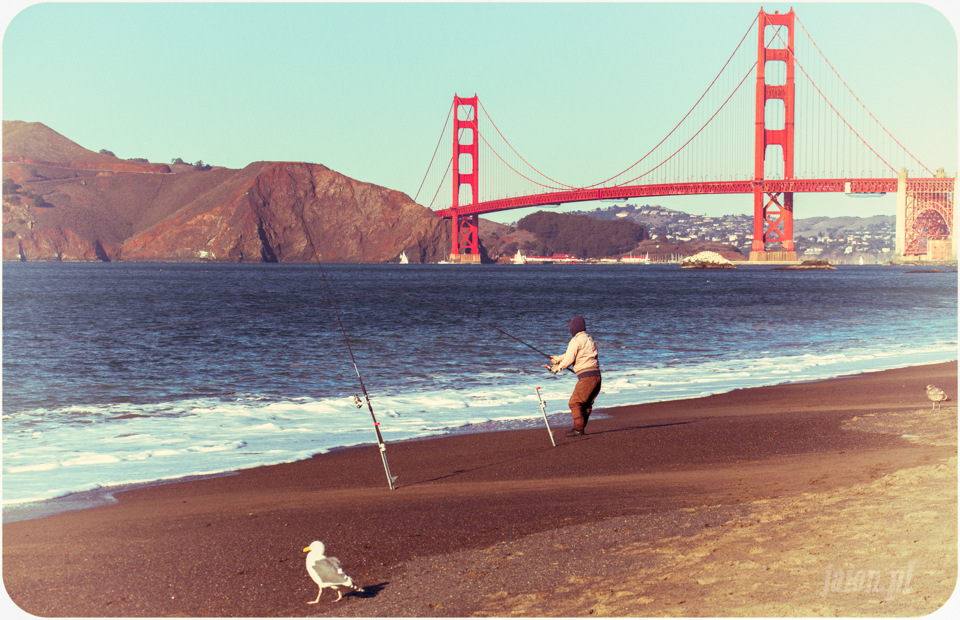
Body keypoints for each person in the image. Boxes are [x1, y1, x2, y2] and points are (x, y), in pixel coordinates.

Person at [550, 315, 601, 437]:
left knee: (574, 403)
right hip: (597, 377)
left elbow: (569, 359)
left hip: (587, 378)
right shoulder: (589, 339)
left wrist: (559, 367)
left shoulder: (575, 340)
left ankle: (578, 429)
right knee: (586, 404)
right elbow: (572, 354)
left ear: (573, 328)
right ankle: (580, 427)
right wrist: (558, 358)